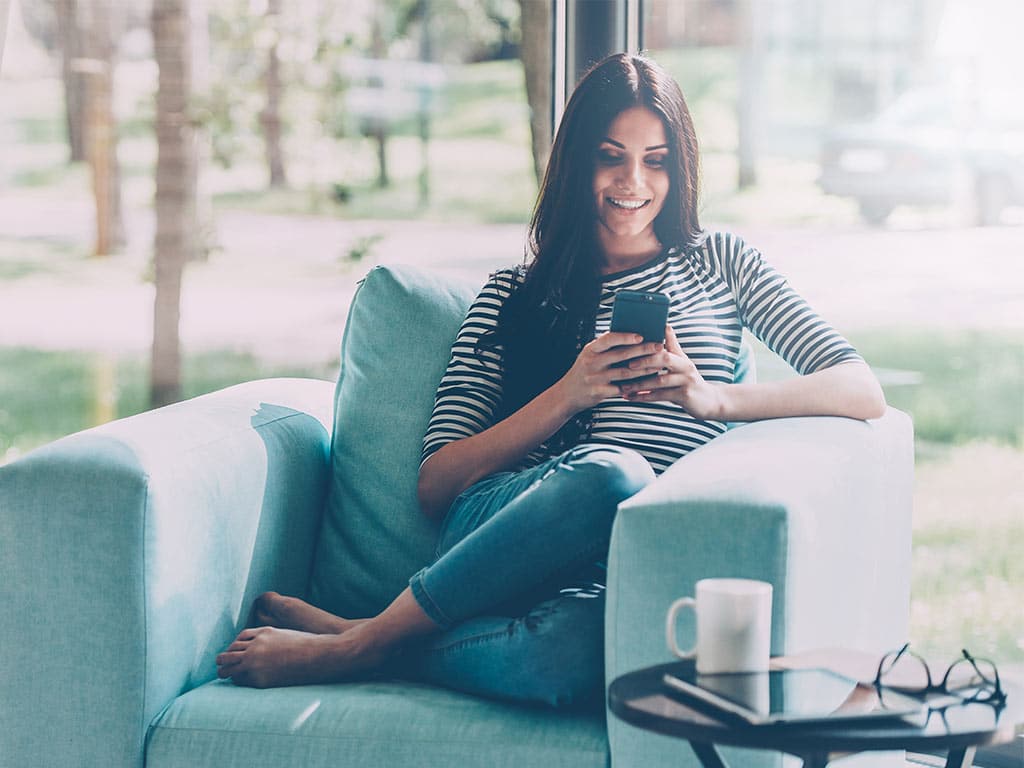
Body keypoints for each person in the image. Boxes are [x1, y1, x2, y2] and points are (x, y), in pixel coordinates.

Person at [215, 52, 886, 706]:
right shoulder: (514, 294)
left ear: (680, 168)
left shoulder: (724, 263)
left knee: (576, 657)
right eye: (610, 154)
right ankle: (353, 652)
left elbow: (859, 388)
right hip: (506, 535)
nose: (633, 181)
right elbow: (436, 486)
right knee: (613, 473)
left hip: (630, 552)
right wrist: (570, 394)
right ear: (574, 162)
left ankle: (370, 638)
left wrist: (712, 399)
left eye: (656, 159)